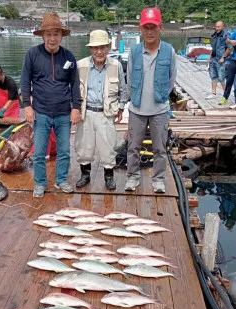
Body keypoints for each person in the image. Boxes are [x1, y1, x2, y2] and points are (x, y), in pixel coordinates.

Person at [20, 13, 81, 198]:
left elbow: (75, 84)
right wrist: (27, 106)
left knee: (64, 150)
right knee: (39, 152)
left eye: (56, 34)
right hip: (41, 112)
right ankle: (40, 183)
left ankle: (61, 180)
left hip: (64, 113)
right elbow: (24, 81)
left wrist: (76, 107)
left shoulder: (68, 56)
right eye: (48, 34)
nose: (52, 38)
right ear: (42, 36)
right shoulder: (32, 54)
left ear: (61, 36)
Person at [125, 8, 177, 193]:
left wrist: (162, 96)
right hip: (137, 108)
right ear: (140, 29)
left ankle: (159, 180)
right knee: (133, 147)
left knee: (160, 148)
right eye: (145, 27)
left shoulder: (169, 51)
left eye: (152, 27)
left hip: (160, 109)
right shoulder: (134, 51)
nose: (149, 31)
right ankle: (132, 177)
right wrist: (131, 99)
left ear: (160, 28)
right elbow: (129, 79)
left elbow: (172, 80)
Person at [75, 30, 127, 190]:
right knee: (84, 147)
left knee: (108, 147)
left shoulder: (116, 65)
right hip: (86, 113)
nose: (99, 51)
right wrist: (74, 110)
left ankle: (109, 176)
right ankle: (85, 175)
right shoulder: (80, 65)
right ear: (90, 49)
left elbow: (123, 90)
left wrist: (120, 108)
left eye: (103, 47)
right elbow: (73, 91)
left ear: (108, 47)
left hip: (106, 113)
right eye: (96, 47)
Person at [205, 21, 229, 100]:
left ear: (222, 27)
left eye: (219, 27)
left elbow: (229, 48)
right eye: (216, 27)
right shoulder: (214, 35)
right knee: (213, 76)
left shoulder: (226, 35)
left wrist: (223, 57)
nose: (217, 28)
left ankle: (225, 94)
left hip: (221, 59)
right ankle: (213, 93)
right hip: (213, 58)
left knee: (221, 77)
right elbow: (214, 48)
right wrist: (210, 56)